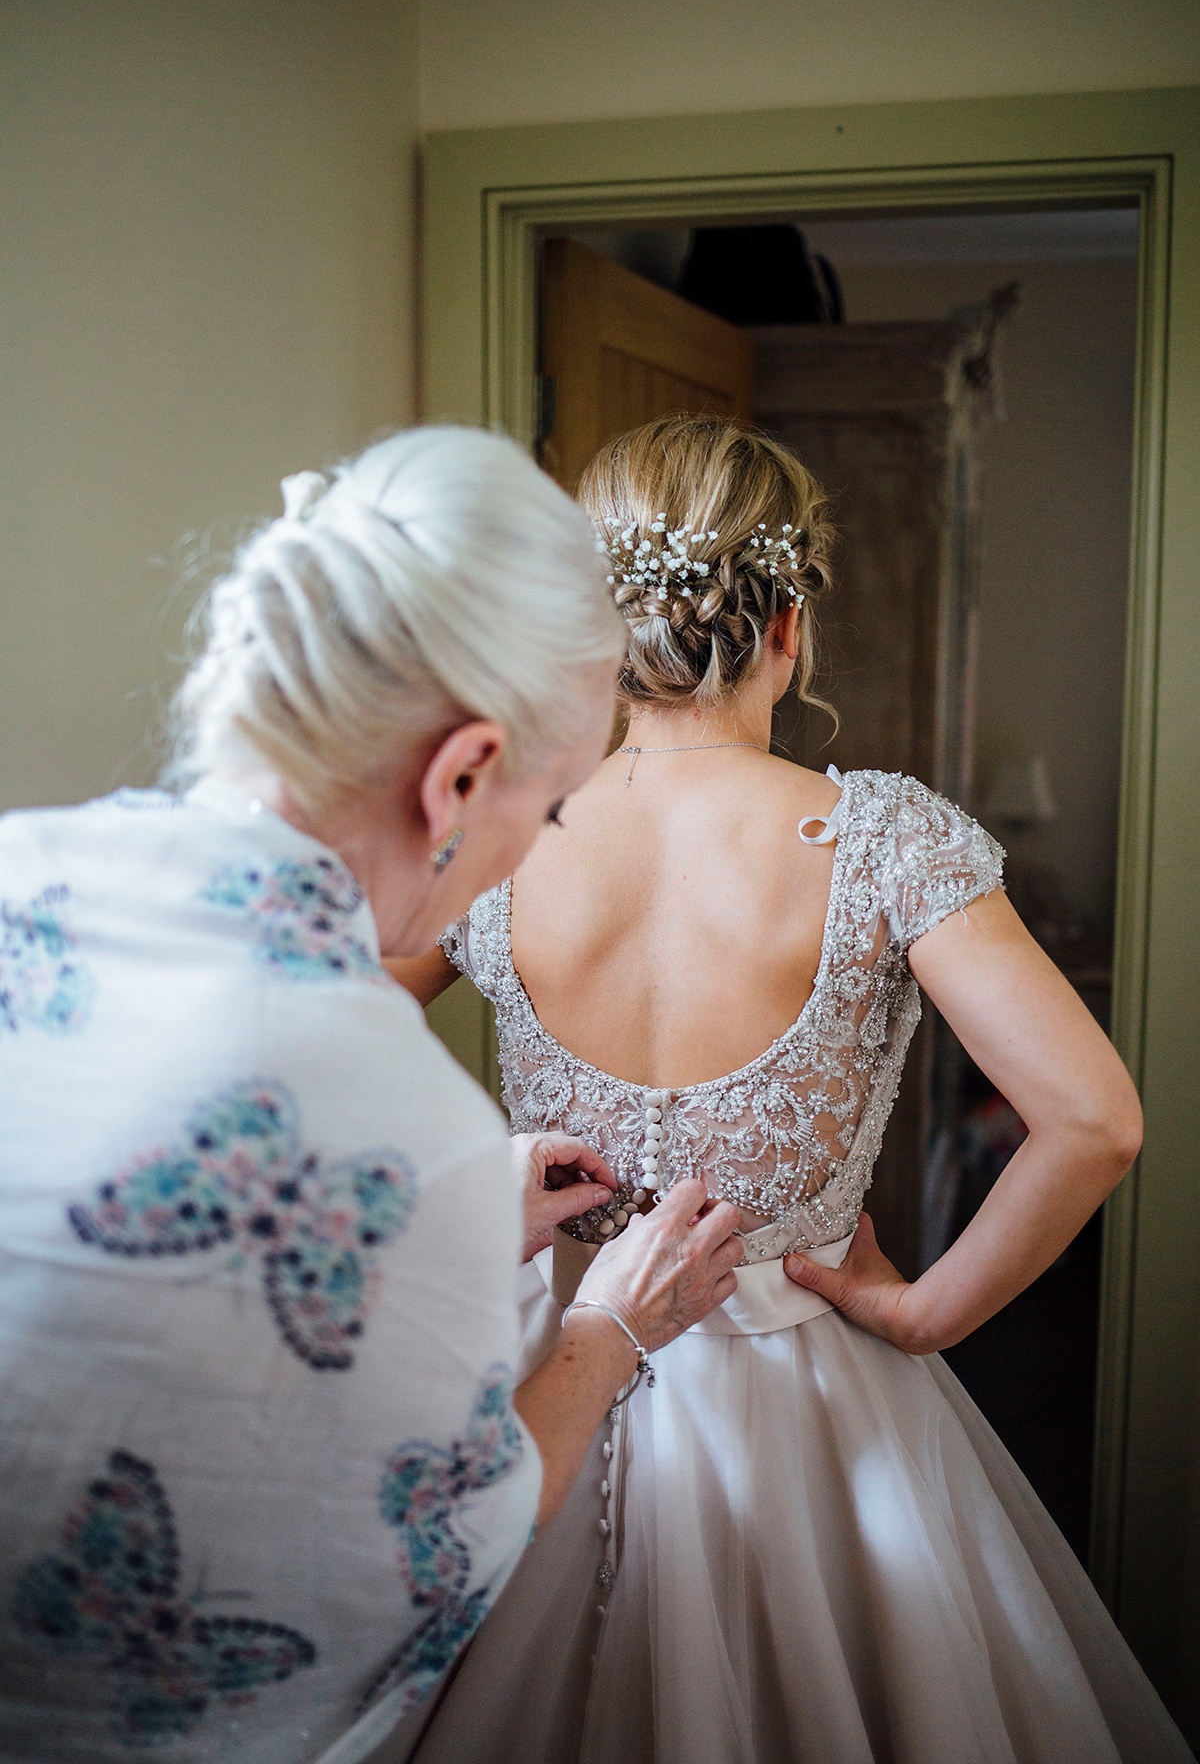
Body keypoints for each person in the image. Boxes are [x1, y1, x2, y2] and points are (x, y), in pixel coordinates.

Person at [392, 416, 1191, 1764]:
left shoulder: (504, 824)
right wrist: (925, 1310)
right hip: (808, 1395)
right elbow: (1095, 1121)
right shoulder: (883, 837)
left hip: (541, 1373)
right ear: (791, 620)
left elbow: (307, 1045)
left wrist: (468, 1205)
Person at [0, 426, 744, 1764]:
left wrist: (415, 1228)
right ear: (458, 775)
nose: (547, 843)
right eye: (557, 806)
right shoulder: (406, 1128)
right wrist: (608, 1331)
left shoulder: (18, 874)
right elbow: (432, 1569)